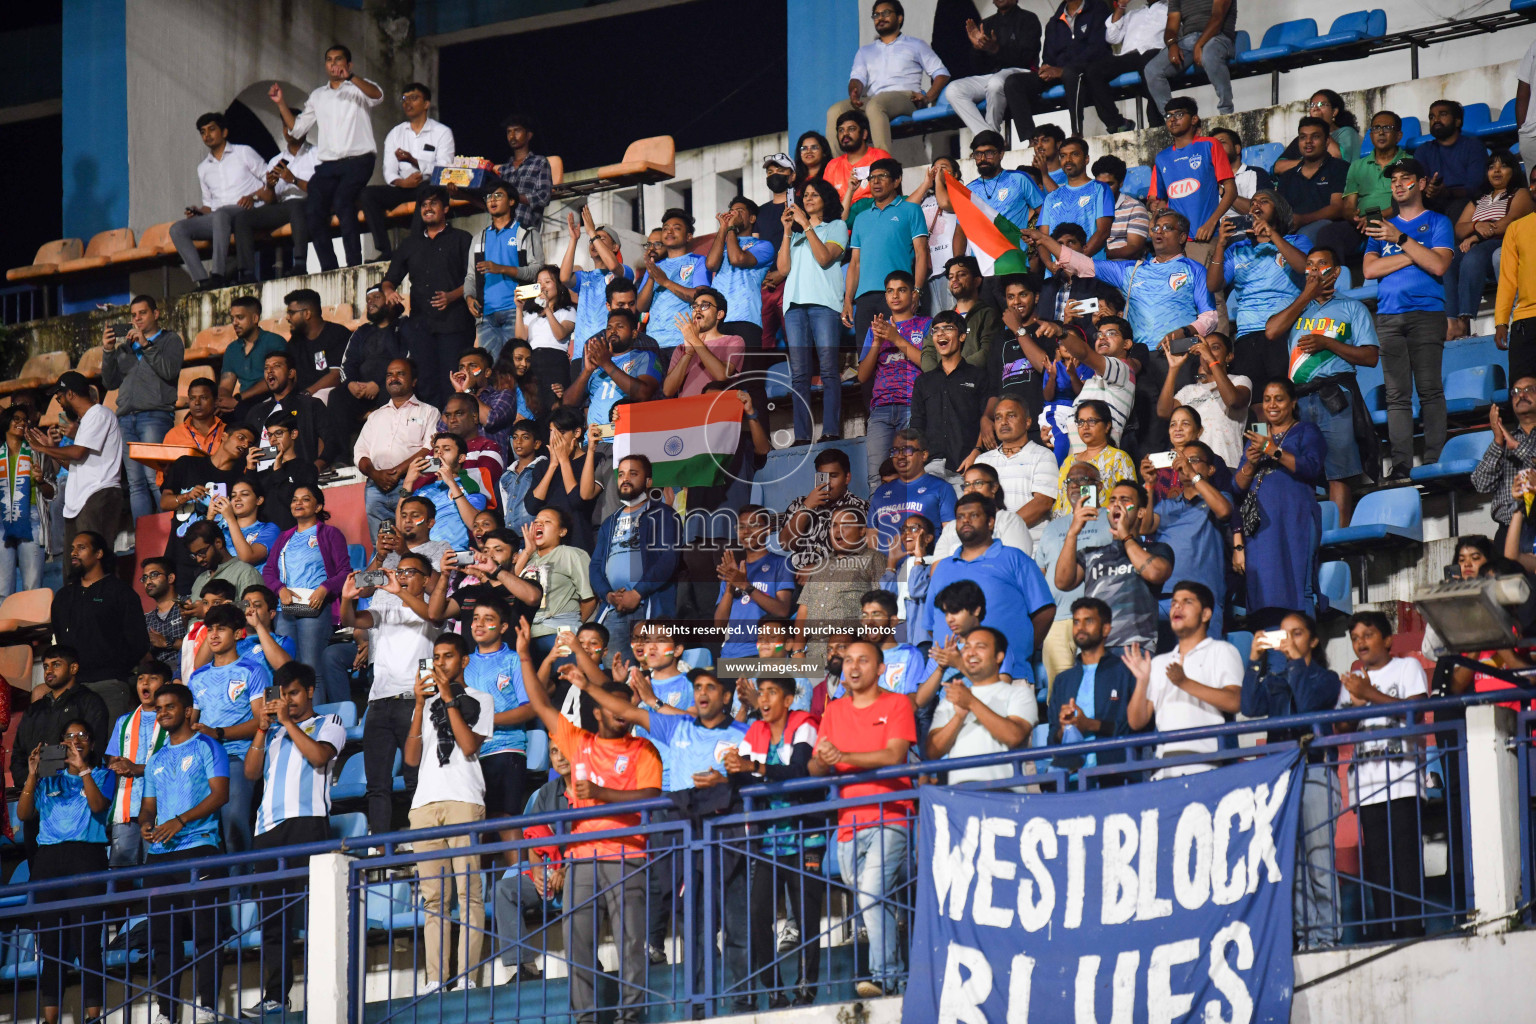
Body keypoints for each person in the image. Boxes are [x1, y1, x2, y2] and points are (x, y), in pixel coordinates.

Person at [575, 667, 751, 1010]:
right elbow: (626, 711)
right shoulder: (677, 726)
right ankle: (699, 1004)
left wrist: (726, 781)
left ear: (726, 697)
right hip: (684, 833)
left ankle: (744, 1000)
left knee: (735, 922)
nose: (702, 693)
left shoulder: (746, 732)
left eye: (710, 688)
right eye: (697, 687)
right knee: (692, 924)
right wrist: (586, 685)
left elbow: (763, 773)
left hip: (727, 832)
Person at [516, 621, 661, 1024]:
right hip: (580, 858)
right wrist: (526, 656)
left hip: (627, 853)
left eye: (626, 709)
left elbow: (651, 796)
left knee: (631, 940)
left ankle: (631, 1015)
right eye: (614, 708)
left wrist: (602, 796)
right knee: (578, 943)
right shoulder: (579, 741)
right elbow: (541, 704)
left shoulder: (642, 748)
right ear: (598, 712)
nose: (621, 715)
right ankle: (586, 1017)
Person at [806, 638, 916, 998]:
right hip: (848, 823)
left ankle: (885, 976)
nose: (853, 667)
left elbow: (894, 755)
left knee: (870, 895)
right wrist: (822, 760)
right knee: (873, 898)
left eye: (863, 660)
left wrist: (842, 756)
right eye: (848, 660)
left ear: (881, 668)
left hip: (891, 814)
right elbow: (817, 767)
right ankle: (896, 980)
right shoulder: (833, 711)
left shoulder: (898, 703)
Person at [241, 662, 345, 1017]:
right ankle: (274, 995)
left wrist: (286, 722)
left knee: (318, 912)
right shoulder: (271, 733)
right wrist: (261, 728)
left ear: (311, 691)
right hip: (267, 830)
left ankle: (325, 992)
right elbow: (250, 773)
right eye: (282, 695)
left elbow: (318, 757)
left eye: (295, 693)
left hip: (308, 823)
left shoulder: (329, 723)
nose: (288, 701)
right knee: (273, 918)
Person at [1241, 611, 1343, 948]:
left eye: (1296, 633)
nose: (1288, 641)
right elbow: (1249, 706)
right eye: (1283, 635)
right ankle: (1305, 938)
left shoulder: (1326, 678)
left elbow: (1311, 704)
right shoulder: (1275, 681)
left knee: (1319, 862)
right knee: (1292, 866)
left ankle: (1328, 939)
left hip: (1314, 770)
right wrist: (1255, 660)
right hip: (1281, 777)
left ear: (1313, 640)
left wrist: (1297, 662)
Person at [722, 675, 822, 1008]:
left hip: (806, 838)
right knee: (758, 917)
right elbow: (742, 774)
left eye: (772, 693)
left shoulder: (804, 724)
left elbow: (800, 772)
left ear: (789, 700)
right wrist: (731, 770)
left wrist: (754, 767)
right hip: (767, 842)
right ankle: (774, 990)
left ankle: (805, 988)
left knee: (807, 918)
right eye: (760, 693)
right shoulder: (756, 731)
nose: (763, 699)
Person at [403, 632, 494, 992]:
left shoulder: (480, 699)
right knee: (434, 899)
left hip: (463, 798)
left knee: (468, 893)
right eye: (436, 657)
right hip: (424, 803)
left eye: (448, 656)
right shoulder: (425, 705)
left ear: (464, 661)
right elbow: (410, 760)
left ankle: (468, 978)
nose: (440, 663)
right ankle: (436, 979)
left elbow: (469, 745)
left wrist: (447, 699)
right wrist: (417, 704)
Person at [1265, 245, 1380, 521]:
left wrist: (1327, 342)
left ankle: (1339, 536)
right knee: (1297, 470)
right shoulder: (1295, 310)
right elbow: (1271, 331)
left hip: (1335, 397)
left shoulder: (1352, 308)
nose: (1315, 270)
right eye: (1310, 265)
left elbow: (1371, 356)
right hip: (1298, 401)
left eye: (1321, 264)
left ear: (1336, 271)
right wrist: (1306, 296)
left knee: (1338, 472)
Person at [139, 682, 230, 1023]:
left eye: (170, 707)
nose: (162, 712)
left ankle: (207, 1006)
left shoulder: (208, 745)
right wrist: (146, 824)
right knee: (164, 938)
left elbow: (220, 794)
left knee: (207, 933)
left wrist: (180, 821)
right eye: (159, 708)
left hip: (201, 849)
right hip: (161, 856)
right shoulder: (156, 759)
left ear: (188, 711)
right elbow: (148, 807)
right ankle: (166, 1013)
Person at [1336, 611, 1428, 941]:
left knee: (1405, 861)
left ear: (1387, 640)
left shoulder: (1407, 668)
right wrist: (1354, 701)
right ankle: (1386, 935)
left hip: (1402, 782)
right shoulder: (1354, 679)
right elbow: (1342, 727)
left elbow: (1414, 711)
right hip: (1368, 787)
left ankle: (1413, 932)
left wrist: (1368, 694)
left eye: (1368, 634)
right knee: (1378, 866)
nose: (1360, 642)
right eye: (1355, 637)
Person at [1362, 159, 1455, 481]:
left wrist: (1401, 240)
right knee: (1396, 395)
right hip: (1388, 315)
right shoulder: (1379, 228)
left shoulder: (1438, 222)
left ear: (1421, 182)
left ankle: (1434, 458)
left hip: (1426, 313)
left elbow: (1440, 267)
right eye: (1394, 180)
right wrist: (1417, 253)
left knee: (1429, 388)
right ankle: (1401, 464)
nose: (1398, 184)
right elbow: (1370, 270)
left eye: (1406, 178)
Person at [339, 553, 440, 833]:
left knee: (415, 779)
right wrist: (347, 598)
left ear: (426, 579)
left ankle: (421, 838)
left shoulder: (433, 609)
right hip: (379, 703)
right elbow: (351, 618)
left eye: (410, 572)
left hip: (416, 703)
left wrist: (399, 592)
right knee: (377, 786)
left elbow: (432, 616)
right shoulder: (385, 610)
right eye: (400, 571)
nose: (403, 576)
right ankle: (380, 850)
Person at [268, 45, 384, 270]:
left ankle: (353, 263)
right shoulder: (318, 95)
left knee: (342, 201)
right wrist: (281, 103)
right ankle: (329, 267)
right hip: (329, 165)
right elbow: (297, 129)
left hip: (359, 160)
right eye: (329, 60)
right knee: (312, 208)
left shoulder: (357, 87)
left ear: (348, 65)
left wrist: (351, 78)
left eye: (338, 59)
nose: (333, 64)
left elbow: (377, 95)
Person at [922, 493, 1055, 683]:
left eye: (974, 515)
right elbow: (932, 625)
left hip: (1008, 675)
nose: (965, 520)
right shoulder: (942, 567)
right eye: (960, 517)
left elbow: (1045, 611)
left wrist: (1021, 648)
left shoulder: (1014, 558)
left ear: (991, 522)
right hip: (951, 681)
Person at [1124, 581, 1242, 777]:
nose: (1176, 607)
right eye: (1173, 603)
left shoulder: (1222, 651)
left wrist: (1185, 683)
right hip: (1164, 769)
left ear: (1206, 614)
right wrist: (1142, 681)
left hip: (1207, 766)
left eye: (1187, 602)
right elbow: (1137, 722)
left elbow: (1235, 701)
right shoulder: (1159, 662)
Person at [1233, 379, 1326, 623]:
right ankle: (1270, 652)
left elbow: (1311, 468)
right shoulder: (1257, 434)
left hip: (1295, 519)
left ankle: (1302, 652)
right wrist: (1251, 463)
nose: (1271, 405)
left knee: (1297, 589)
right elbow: (1237, 486)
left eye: (1279, 398)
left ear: (1293, 403)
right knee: (1263, 595)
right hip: (1260, 527)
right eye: (1266, 399)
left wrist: (1273, 450)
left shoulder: (1306, 430)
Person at [185, 602, 268, 859]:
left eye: (221, 629)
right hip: (202, 762)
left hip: (237, 757)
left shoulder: (253, 671)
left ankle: (241, 894)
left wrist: (219, 733)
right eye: (210, 629)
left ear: (239, 633)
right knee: (200, 834)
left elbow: (261, 720)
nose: (213, 635)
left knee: (233, 824)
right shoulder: (197, 677)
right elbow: (190, 724)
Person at [381, 187, 476, 409]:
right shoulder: (410, 244)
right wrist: (388, 291)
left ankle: (454, 434)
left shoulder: (462, 239)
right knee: (425, 382)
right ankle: (433, 436)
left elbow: (475, 278)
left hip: (454, 324)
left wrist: (452, 296)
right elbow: (389, 280)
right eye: (423, 205)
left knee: (451, 381)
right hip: (421, 326)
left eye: (433, 203)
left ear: (445, 208)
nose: (427, 208)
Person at [1055, 481, 1173, 652]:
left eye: (1125, 500)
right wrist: (1073, 532)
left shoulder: (1156, 550)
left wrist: (1125, 536)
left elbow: (1155, 573)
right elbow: (1062, 582)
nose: (1117, 504)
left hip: (1135, 651)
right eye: (1112, 500)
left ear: (1141, 512)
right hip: (1093, 650)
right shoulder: (1090, 553)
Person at [1209, 190, 1310, 389]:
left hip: (1284, 331)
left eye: (1264, 202)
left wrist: (1272, 235)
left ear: (1278, 210)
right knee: (1254, 403)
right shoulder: (1238, 250)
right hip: (1246, 335)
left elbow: (1305, 267)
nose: (1256, 205)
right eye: (1253, 202)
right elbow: (1213, 285)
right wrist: (1220, 245)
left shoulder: (1296, 241)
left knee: (1284, 394)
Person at [8, 646, 110, 839]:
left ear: (73, 668)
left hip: (75, 800)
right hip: (37, 799)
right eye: (46, 666)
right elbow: (18, 755)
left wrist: (53, 772)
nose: (48, 671)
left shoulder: (90, 702)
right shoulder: (34, 710)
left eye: (56, 665)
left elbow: (94, 750)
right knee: (39, 865)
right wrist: (31, 782)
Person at [828, 0, 950, 154]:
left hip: (906, 98)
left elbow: (942, 74)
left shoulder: (915, 44)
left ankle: (883, 164)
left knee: (876, 105)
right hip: (873, 99)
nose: (880, 18)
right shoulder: (865, 51)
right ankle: (837, 167)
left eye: (885, 13)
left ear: (899, 18)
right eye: (876, 15)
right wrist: (854, 91)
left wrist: (928, 97)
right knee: (835, 111)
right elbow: (857, 79)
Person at [50, 532, 149, 721]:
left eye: (81, 547)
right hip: (73, 686)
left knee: (108, 748)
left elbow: (138, 642)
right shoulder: (63, 597)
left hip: (110, 683)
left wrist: (116, 669)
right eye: (72, 548)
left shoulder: (120, 592)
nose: (73, 553)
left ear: (99, 554)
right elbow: (60, 639)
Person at [100, 295, 183, 522]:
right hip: (126, 418)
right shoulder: (125, 347)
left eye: (142, 313)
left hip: (155, 416)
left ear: (155, 314)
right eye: (134, 315)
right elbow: (110, 383)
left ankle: (169, 534)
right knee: (136, 484)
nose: (137, 319)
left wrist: (146, 344)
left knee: (155, 479)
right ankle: (145, 540)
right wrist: (108, 351)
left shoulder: (170, 340)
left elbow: (169, 371)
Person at [590, 455, 682, 653]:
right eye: (621, 474)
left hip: (648, 606)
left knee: (649, 672)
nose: (625, 479)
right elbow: (596, 566)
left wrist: (637, 592)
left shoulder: (664, 514)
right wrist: (608, 595)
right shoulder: (610, 522)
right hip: (614, 609)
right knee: (615, 676)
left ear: (648, 481)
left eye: (633, 474)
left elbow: (668, 559)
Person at [168, 111, 269, 289]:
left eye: (212, 129)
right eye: (203, 132)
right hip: (218, 218)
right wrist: (198, 211)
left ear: (224, 132)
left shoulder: (243, 152)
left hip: (244, 210)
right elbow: (209, 205)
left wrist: (253, 196)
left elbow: (269, 180)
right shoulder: (203, 168)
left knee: (221, 214)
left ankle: (218, 274)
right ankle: (203, 279)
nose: (207, 135)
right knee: (177, 229)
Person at [924, 625, 1036, 783]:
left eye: (980, 647)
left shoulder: (1019, 695)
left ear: (999, 657)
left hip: (1000, 786)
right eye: (967, 647)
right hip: (957, 786)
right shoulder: (952, 700)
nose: (970, 653)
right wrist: (959, 716)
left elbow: (1014, 737)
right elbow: (933, 751)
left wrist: (971, 702)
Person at [360, 82, 457, 259]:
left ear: (426, 104)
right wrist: (401, 182)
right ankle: (385, 250)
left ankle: (413, 247)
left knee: (427, 191)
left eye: (414, 98)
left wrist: (413, 160)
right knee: (367, 194)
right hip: (403, 187)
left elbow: (444, 168)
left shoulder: (442, 132)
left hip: (427, 186)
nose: (407, 103)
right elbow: (389, 170)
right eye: (404, 99)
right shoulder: (395, 133)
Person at [263, 483, 351, 668]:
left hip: (315, 607)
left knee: (311, 669)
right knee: (288, 670)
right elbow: (269, 571)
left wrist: (324, 588)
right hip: (284, 609)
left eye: (305, 499)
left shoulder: (329, 534)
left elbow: (345, 572)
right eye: (295, 500)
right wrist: (280, 590)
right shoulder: (283, 537)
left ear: (318, 507)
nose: (298, 503)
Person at [844, 160, 931, 348]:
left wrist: (916, 291)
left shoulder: (911, 210)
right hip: (864, 298)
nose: (875, 182)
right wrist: (848, 300)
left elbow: (921, 253)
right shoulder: (861, 218)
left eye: (882, 176)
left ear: (897, 180)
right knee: (866, 358)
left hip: (897, 295)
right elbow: (855, 264)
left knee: (898, 356)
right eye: (872, 178)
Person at [28, 372, 121, 546]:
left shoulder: (98, 414)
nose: (60, 405)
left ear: (70, 394)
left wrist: (42, 448)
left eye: (59, 399)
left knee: (95, 561)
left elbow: (78, 453)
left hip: (98, 495)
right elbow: (73, 464)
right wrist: (52, 450)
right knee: (74, 567)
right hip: (81, 500)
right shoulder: (87, 420)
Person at [857, 271, 931, 489]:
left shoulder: (926, 324)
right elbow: (862, 375)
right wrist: (878, 342)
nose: (895, 295)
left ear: (913, 294)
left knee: (911, 473)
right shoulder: (876, 329)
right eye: (890, 291)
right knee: (876, 477)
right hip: (880, 409)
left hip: (913, 406)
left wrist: (895, 338)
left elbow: (929, 365)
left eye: (901, 290)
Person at [1446, 154, 1532, 340]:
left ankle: (1465, 320)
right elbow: (1460, 228)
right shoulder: (1479, 199)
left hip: (1502, 242)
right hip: (1476, 242)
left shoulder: (1519, 193)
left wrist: (1475, 237)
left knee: (1472, 256)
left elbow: (1509, 222)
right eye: (1492, 166)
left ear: (1513, 170)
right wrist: (1476, 226)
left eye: (1503, 166)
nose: (1497, 170)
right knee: (1447, 260)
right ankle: (1450, 321)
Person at [908, 310, 996, 488]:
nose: (941, 333)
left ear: (962, 336)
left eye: (948, 328)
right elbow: (917, 426)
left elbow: (986, 418)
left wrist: (976, 452)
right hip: (930, 468)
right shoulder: (924, 381)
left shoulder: (978, 377)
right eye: (936, 330)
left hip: (966, 467)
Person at [1045, 598, 1134, 771]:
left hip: (1114, 777)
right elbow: (1051, 738)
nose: (1080, 628)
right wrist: (1064, 729)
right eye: (1076, 622)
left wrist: (1091, 725)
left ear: (1106, 629)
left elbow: (1137, 727)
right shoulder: (1063, 680)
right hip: (1070, 782)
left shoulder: (1125, 672)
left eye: (1089, 621)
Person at [354, 358, 438, 540]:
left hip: (412, 484)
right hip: (376, 487)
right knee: (381, 544)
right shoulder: (376, 416)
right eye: (390, 374)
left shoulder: (429, 412)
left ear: (414, 381)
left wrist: (396, 472)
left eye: (400, 374)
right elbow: (360, 452)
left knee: (414, 541)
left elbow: (429, 448)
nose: (394, 378)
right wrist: (375, 474)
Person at [999, 0, 1109, 138]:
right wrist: (1047, 69)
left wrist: (1062, 69)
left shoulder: (1097, 8)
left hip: (1089, 69)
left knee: (1070, 73)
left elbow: (1098, 49)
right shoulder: (1054, 21)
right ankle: (1030, 137)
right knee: (1013, 82)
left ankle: (1076, 133)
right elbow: (1049, 58)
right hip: (1059, 72)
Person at [103, 661, 170, 867]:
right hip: (126, 807)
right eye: (141, 678)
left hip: (160, 808)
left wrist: (136, 768)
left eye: (152, 678)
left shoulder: (171, 721)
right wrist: (117, 765)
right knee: (121, 869)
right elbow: (113, 760)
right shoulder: (124, 721)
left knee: (155, 868)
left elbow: (172, 763)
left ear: (166, 684)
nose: (144, 683)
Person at [943, 0, 1042, 136]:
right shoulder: (987, 24)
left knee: (995, 83)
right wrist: (977, 48)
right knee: (954, 90)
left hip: (1021, 74)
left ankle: (990, 138)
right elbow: (977, 68)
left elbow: (1025, 57)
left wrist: (996, 49)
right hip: (993, 76)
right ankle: (987, 136)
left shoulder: (1028, 18)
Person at [463, 180, 535, 362]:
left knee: (515, 367)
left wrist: (501, 268)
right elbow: (471, 276)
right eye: (488, 197)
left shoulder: (525, 233)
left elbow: (536, 270)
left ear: (512, 201)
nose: (492, 200)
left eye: (498, 195)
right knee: (490, 370)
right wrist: (469, 297)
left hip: (517, 311)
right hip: (486, 315)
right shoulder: (479, 238)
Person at [1149, 98, 1234, 250]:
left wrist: (1211, 222)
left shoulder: (1210, 145)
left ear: (1194, 119)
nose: (1173, 120)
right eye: (1168, 116)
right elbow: (1162, 200)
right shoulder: (1162, 158)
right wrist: (1154, 219)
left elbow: (1231, 190)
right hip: (1172, 241)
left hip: (1203, 236)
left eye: (1179, 114)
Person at [1156, 333, 1250, 469]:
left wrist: (1210, 358)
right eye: (1204, 348)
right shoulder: (1188, 390)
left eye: (1215, 348)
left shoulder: (1239, 381)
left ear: (1229, 356)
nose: (1207, 351)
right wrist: (1173, 368)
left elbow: (1233, 401)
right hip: (1193, 467)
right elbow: (1163, 412)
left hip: (1227, 464)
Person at [337, 285, 426, 428]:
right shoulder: (362, 332)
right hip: (362, 389)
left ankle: (375, 415)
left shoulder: (404, 326)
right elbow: (348, 363)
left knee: (395, 386)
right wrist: (351, 383)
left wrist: (378, 385)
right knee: (337, 396)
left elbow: (408, 362)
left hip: (389, 385)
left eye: (376, 297)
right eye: (368, 300)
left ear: (389, 301)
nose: (370, 302)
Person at [715, 505, 797, 659]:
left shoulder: (780, 564)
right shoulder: (734, 571)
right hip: (729, 655)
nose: (746, 531)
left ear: (767, 530)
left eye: (754, 526)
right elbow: (719, 626)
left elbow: (782, 611)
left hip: (763, 654)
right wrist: (730, 587)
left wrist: (745, 585)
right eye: (741, 527)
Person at [1276, 117, 1359, 258]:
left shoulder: (1339, 167)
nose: (1308, 141)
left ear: (1327, 141)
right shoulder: (1287, 176)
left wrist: (1302, 219)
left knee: (1306, 236)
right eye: (1303, 137)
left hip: (1329, 227)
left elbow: (1338, 208)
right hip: (1293, 229)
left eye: (1315, 137)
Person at [560, 204, 633, 361]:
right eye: (591, 240)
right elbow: (564, 278)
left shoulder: (624, 272)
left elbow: (613, 265)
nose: (593, 242)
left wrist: (592, 232)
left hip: (609, 352)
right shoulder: (584, 276)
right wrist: (574, 240)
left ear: (615, 247)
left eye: (600, 239)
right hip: (581, 352)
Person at [1141, 0, 1237, 118]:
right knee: (1152, 70)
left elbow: (1217, 18)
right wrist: (1172, 44)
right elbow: (1171, 27)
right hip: (1189, 40)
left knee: (1208, 55)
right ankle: (1171, 118)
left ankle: (1226, 111)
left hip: (1219, 37)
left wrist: (1199, 44)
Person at [780, 448, 870, 570]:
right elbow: (785, 544)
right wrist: (806, 508)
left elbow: (862, 553)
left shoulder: (859, 507)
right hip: (797, 577)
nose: (828, 483)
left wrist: (819, 569)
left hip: (837, 577)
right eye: (823, 477)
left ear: (847, 477)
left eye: (833, 476)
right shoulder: (800, 503)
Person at [868, 428, 956, 552]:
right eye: (895, 451)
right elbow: (872, 538)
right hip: (885, 569)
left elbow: (951, 539)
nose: (900, 456)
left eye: (907, 450)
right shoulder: (881, 492)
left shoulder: (941, 488)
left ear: (924, 455)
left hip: (924, 568)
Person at [525, 407, 601, 551]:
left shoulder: (593, 460)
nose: (555, 438)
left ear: (577, 433)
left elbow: (577, 500)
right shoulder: (543, 466)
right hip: (548, 548)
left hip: (580, 543)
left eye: (561, 432)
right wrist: (553, 465)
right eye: (552, 432)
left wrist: (564, 460)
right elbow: (532, 506)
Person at [705, 196, 776, 349]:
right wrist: (724, 228)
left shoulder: (764, 245)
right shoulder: (723, 243)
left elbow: (737, 259)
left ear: (752, 218)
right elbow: (711, 264)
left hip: (745, 319)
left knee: (744, 371)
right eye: (731, 212)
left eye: (739, 211)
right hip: (717, 319)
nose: (733, 215)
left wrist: (730, 228)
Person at [1086, 0, 1166, 133]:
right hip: (1129, 55)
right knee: (1093, 71)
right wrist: (1121, 6)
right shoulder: (1133, 14)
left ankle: (1156, 120)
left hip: (1155, 52)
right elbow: (1112, 38)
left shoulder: (1170, 9)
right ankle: (1116, 123)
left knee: (1150, 63)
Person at [638, 208, 710, 353]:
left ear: (689, 237)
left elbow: (702, 298)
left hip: (683, 341)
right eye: (665, 229)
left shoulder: (699, 261)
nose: (669, 232)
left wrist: (665, 282)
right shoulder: (654, 267)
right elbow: (640, 307)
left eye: (676, 228)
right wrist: (652, 276)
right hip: (653, 342)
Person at [1473, 376, 1536, 540]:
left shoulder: (1511, 441)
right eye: (1516, 392)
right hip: (1507, 530)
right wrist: (1498, 441)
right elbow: (1481, 484)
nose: (1521, 395)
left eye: (1529, 390)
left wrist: (1516, 446)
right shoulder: (1503, 441)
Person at [246, 134, 318, 277]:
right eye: (285, 127)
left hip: (310, 203)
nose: (288, 132)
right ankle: (247, 272)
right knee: (243, 218)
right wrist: (271, 186)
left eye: (292, 127)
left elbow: (321, 189)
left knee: (295, 205)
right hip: (284, 207)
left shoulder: (316, 154)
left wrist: (293, 180)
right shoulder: (276, 160)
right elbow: (271, 200)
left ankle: (300, 263)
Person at [401, 433, 488, 550]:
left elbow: (474, 524)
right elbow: (400, 525)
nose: (439, 453)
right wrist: (407, 483)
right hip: (419, 555)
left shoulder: (470, 488)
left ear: (461, 458)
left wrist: (451, 483)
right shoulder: (422, 491)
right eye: (436, 450)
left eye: (446, 449)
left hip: (451, 555)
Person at [661, 287, 745, 398]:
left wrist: (695, 341)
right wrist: (689, 353)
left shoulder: (734, 341)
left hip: (717, 409)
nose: (697, 310)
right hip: (686, 411)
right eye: (694, 306)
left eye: (705, 305)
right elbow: (668, 391)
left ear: (719, 314)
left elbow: (722, 375)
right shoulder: (681, 349)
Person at [1413, 99, 1490, 220]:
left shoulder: (1473, 146)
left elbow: (1476, 187)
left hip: (1463, 201)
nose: (1436, 120)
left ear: (1457, 121)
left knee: (1459, 207)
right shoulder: (1423, 150)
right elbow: (1417, 183)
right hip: (1431, 201)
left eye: (1442, 114)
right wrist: (1428, 189)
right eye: (1431, 117)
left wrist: (1447, 192)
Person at [516, 265, 579, 410]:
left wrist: (547, 309)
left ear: (558, 285)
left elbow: (560, 333)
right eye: (539, 283)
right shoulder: (531, 314)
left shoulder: (568, 311)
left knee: (554, 405)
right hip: (533, 363)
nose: (542, 286)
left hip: (555, 362)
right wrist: (519, 309)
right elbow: (520, 338)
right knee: (534, 407)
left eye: (547, 282)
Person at [1040, 138, 1115, 259]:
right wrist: (1051, 266)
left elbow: (1103, 232)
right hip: (1057, 274)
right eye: (1063, 156)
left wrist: (1075, 263)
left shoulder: (1101, 189)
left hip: (1089, 271)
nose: (1068, 160)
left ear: (1086, 159)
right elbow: (1043, 239)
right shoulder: (1051, 197)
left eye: (1074, 154)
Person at [0, 404, 46, 594]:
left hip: (31, 517)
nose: (21, 423)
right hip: (2, 520)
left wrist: (41, 479)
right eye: (16, 419)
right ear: (6, 422)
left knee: (32, 585)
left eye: (24, 420)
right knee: (2, 588)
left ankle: (32, 623)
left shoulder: (36, 451)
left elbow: (51, 488)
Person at [216, 298, 287, 419]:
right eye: (232, 318)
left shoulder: (274, 341)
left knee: (244, 411)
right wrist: (223, 402)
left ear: (255, 318)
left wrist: (239, 398)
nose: (235, 323)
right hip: (241, 401)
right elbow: (225, 385)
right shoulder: (232, 349)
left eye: (240, 317)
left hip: (269, 397)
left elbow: (274, 379)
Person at [281, 288, 354, 400]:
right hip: (302, 397)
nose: (287, 317)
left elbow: (336, 375)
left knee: (316, 399)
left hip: (332, 395)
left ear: (307, 314)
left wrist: (306, 393)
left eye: (291, 313)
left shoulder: (337, 334)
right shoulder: (294, 342)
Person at [1497, 187, 1536, 382]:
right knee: (1521, 388)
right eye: (1534, 182)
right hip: (1526, 321)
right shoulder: (1516, 228)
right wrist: (1501, 321)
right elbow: (1507, 280)